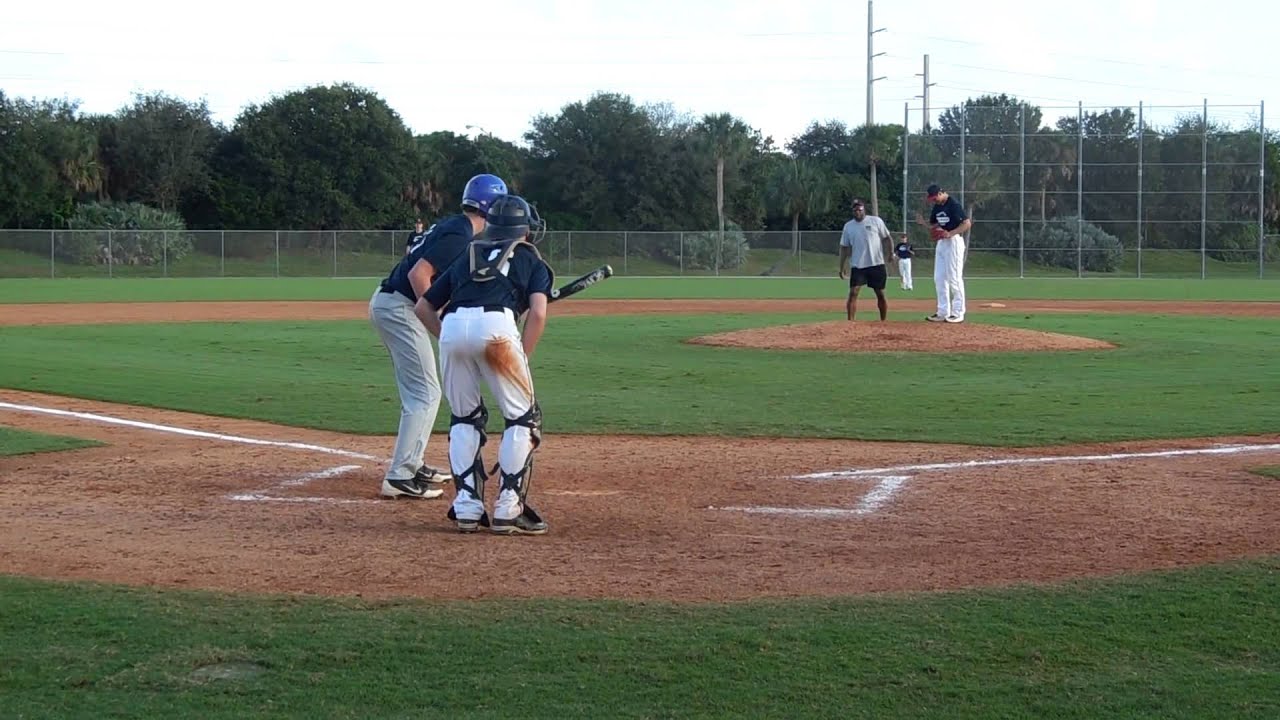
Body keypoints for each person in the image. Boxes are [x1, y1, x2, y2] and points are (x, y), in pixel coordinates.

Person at [368, 173, 509, 500]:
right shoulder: (460, 233)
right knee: (425, 392)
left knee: (422, 389)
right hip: (400, 308)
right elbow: (419, 275)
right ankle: (400, 476)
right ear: (492, 208)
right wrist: (440, 326)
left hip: (396, 305)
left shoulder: (455, 226)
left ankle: (413, 463)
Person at [420, 194, 554, 535]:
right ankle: (509, 507)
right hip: (498, 328)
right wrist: (521, 356)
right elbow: (538, 313)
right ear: (525, 230)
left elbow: (424, 307)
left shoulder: (469, 254)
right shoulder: (531, 259)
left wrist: (452, 340)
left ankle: (467, 507)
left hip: (451, 326)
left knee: (464, 417)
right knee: (523, 418)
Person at [837, 198, 893, 322]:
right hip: (858, 265)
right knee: (853, 292)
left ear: (864, 209)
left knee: (880, 293)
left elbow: (887, 237)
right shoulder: (848, 226)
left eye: (860, 209)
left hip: (876, 263)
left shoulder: (875, 221)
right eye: (855, 210)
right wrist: (841, 267)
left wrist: (890, 253)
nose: (857, 212)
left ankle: (883, 321)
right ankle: (850, 322)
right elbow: (844, 247)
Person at [923, 183, 971, 323]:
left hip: (953, 241)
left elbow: (967, 223)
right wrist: (929, 226)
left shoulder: (953, 204)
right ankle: (943, 312)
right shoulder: (937, 206)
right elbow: (934, 224)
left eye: (934, 198)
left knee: (954, 278)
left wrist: (951, 233)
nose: (934, 201)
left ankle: (958, 312)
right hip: (942, 243)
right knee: (939, 278)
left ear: (940, 193)